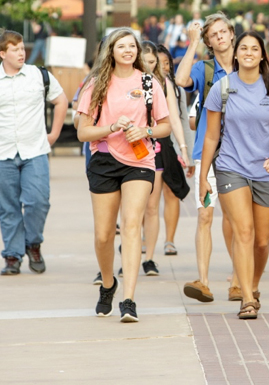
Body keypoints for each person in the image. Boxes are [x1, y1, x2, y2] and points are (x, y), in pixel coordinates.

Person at [76, 28, 172, 322]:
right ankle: (108, 284)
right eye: (122, 46)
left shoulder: (149, 82)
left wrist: (145, 130)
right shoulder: (96, 84)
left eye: (132, 46)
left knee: (131, 226)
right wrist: (111, 127)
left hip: (140, 161)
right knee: (104, 235)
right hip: (104, 159)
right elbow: (83, 132)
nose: (128, 51)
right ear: (111, 51)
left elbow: (165, 126)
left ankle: (129, 300)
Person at [199, 31, 269, 319]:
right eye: (244, 48)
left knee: (262, 242)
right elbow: (211, 136)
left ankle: (253, 284)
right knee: (244, 232)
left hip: (266, 169)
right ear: (236, 53)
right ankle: (247, 299)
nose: (249, 52)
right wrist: (203, 176)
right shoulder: (222, 88)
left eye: (255, 48)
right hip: (231, 167)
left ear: (263, 55)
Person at [0, 30, 67, 275]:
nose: (21, 53)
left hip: (35, 151)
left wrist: (54, 133)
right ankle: (12, 256)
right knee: (8, 208)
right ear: (3, 54)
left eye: (22, 48)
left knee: (38, 201)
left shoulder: (39, 75)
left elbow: (61, 101)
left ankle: (33, 243)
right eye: (15, 50)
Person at [175, 13, 238, 304]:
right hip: (207, 152)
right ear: (209, 42)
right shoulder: (205, 69)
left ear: (232, 33)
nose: (220, 37)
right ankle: (203, 281)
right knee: (205, 214)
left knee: (237, 219)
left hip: (241, 153)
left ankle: (239, 280)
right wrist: (193, 43)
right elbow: (180, 79)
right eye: (213, 35)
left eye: (223, 31)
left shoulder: (248, 64)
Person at [140, 42, 192, 274]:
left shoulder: (163, 84)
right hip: (126, 150)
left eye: (154, 62)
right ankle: (128, 253)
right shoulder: (121, 81)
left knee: (152, 206)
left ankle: (149, 258)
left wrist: (184, 149)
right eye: (146, 62)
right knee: (132, 208)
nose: (151, 66)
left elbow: (175, 119)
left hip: (157, 148)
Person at [156, 45, 194, 256]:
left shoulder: (176, 88)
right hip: (149, 147)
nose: (163, 67)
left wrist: (188, 155)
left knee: (171, 192)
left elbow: (182, 120)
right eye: (157, 62)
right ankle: (144, 236)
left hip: (172, 147)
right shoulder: (141, 86)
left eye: (167, 63)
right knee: (148, 197)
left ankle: (169, 240)